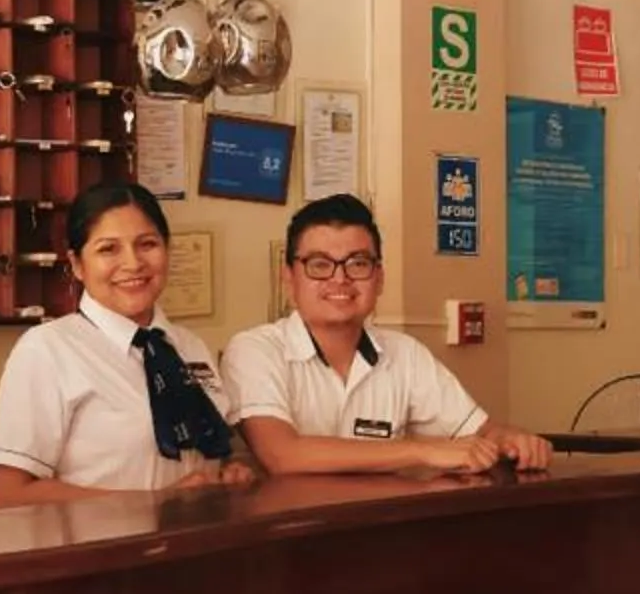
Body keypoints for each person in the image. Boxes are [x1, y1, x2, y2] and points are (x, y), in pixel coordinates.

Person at [221, 194, 555, 476]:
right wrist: (422, 451)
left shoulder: (404, 354)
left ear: (379, 278)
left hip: (380, 537)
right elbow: (283, 456)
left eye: (358, 263)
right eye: (320, 265)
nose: (340, 279)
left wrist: (511, 438)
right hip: (287, 545)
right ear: (289, 278)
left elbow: (478, 433)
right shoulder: (254, 350)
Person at [0, 183, 256, 505]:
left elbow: (213, 452)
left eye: (147, 244)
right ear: (76, 264)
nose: (133, 263)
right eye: (108, 249)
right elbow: (9, 494)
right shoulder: (46, 350)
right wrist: (153, 506)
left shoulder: (189, 346)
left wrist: (233, 471)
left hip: (197, 546)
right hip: (103, 552)